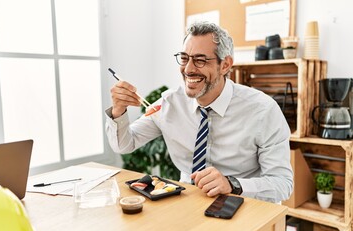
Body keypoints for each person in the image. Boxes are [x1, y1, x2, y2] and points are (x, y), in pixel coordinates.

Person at [105, 21, 293, 203]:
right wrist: (119, 110)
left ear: (225, 65)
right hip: (189, 202)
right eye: (185, 58)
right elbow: (124, 145)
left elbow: (282, 184)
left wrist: (232, 184)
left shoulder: (263, 110)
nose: (188, 69)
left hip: (244, 203)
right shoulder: (169, 103)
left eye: (200, 60)